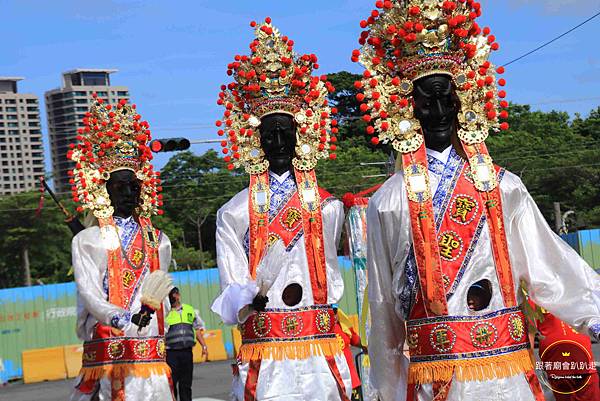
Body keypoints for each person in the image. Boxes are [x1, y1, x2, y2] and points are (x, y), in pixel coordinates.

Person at [352, 1, 600, 400]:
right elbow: (382, 303)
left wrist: (593, 312)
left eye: (446, 98)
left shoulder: (504, 186)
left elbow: (546, 261)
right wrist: (388, 385)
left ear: (463, 100)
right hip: (435, 378)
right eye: (425, 101)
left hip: (505, 373)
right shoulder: (389, 201)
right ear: (407, 107)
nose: (437, 111)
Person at [210, 17, 352, 401]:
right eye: (268, 133)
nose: (277, 141)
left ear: (299, 134)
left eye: (285, 131)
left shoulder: (327, 207)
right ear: (253, 139)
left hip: (320, 348)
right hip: (267, 353)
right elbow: (232, 282)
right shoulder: (234, 213)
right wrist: (248, 299)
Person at [68, 95, 174, 401]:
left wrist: (148, 317)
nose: (128, 193)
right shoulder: (87, 240)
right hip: (109, 352)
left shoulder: (159, 239)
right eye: (120, 186)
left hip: (150, 353)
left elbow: (161, 292)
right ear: (104, 189)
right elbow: (89, 295)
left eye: (134, 186)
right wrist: (122, 318)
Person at [165, 287, 208, 401]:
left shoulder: (189, 310)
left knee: (186, 384)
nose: (172, 299)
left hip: (187, 352)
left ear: (178, 295)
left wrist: (204, 346)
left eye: (173, 295)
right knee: (172, 384)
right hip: (171, 353)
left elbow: (197, 329)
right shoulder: (165, 313)